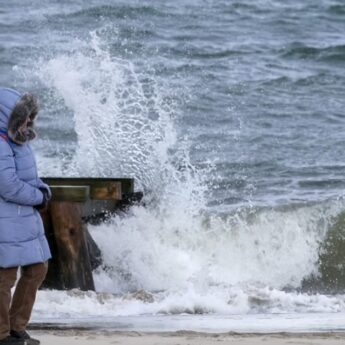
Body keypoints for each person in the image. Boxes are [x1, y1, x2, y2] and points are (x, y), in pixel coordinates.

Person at [0, 88, 52, 345]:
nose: (29, 121)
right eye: (24, 116)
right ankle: (2, 333)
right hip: (6, 222)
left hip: (23, 219)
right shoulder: (0, 144)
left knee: (38, 268)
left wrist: (43, 190)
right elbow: (7, 185)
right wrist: (39, 197)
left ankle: (16, 327)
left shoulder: (18, 141)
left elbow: (29, 179)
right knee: (4, 278)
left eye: (31, 116)